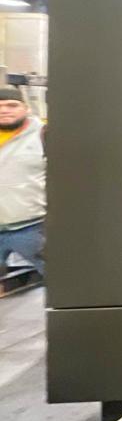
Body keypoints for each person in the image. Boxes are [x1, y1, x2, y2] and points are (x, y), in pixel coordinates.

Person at [0, 87, 45, 279]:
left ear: (26, 108)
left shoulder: (44, 135)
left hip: (34, 227)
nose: (4, 110)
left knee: (64, 281)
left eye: (12, 105)